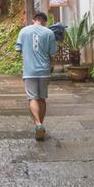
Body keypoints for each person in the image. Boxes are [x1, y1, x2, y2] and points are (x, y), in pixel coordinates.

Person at [16, 11, 58, 140]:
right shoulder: (49, 33)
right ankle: (40, 125)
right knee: (42, 99)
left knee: (32, 98)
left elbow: (19, 49)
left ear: (33, 21)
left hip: (29, 71)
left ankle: (38, 124)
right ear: (45, 23)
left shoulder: (24, 31)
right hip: (44, 71)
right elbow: (52, 53)